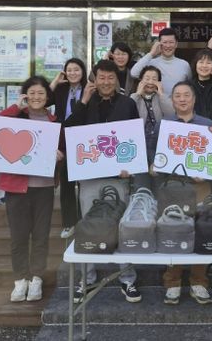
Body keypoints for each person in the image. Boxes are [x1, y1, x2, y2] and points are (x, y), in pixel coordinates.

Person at [64, 59, 143, 304]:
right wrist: (84, 101)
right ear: (94, 79)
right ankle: (87, 278)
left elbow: (135, 137)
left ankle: (127, 278)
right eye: (101, 77)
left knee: (121, 226)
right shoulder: (84, 103)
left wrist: (132, 167)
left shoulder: (128, 103)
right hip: (89, 177)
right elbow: (68, 130)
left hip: (119, 177)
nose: (106, 82)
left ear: (117, 79)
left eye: (110, 77)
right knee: (87, 225)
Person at [0, 76, 64, 303]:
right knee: (19, 237)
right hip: (17, 188)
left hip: (44, 187)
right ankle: (20, 280)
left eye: (41, 93)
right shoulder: (16, 116)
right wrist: (16, 106)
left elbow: (62, 150)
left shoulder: (54, 121)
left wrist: (60, 155)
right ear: (25, 95)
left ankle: (36, 279)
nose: (36, 97)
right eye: (32, 93)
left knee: (41, 236)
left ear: (47, 97)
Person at [161, 81, 212, 306]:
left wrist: (207, 173)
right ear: (172, 100)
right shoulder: (165, 125)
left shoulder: (207, 124)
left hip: (201, 187)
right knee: (174, 231)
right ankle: (172, 283)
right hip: (174, 187)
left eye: (186, 95)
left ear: (194, 99)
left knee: (202, 231)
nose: (182, 99)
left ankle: (199, 282)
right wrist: (155, 165)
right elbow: (155, 153)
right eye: (177, 96)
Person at [49, 58, 88, 239]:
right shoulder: (61, 89)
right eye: (69, 70)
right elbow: (44, 99)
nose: (73, 73)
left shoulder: (89, 89)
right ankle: (69, 222)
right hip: (63, 137)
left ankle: (85, 220)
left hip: (84, 138)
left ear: (83, 71)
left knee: (85, 182)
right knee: (66, 181)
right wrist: (56, 81)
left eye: (76, 69)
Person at [130, 66, 174, 185]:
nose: (150, 82)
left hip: (158, 145)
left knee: (158, 179)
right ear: (140, 81)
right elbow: (128, 111)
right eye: (147, 78)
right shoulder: (134, 97)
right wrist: (138, 94)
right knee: (141, 181)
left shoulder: (162, 97)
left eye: (154, 79)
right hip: (139, 145)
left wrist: (161, 94)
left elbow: (171, 113)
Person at [130, 28, 191, 94]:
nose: (168, 46)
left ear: (176, 44)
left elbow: (191, 85)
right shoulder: (151, 63)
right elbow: (134, 73)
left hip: (178, 100)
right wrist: (151, 53)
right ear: (159, 44)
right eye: (165, 42)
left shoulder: (184, 65)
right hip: (156, 100)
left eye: (171, 42)